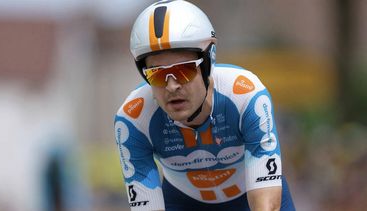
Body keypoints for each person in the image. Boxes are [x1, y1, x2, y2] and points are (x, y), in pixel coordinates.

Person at [114, 0, 295, 210]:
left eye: (184, 70)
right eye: (157, 74)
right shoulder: (133, 120)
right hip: (182, 202)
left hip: (250, 196)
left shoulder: (245, 95)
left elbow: (266, 205)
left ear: (208, 63)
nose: (172, 86)